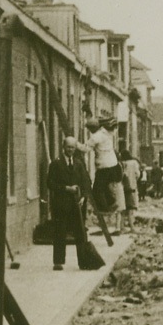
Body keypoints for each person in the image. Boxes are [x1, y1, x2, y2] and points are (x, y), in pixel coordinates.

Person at [47, 136, 92, 269]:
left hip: (77, 205)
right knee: (60, 232)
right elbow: (50, 183)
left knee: (80, 233)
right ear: (63, 147)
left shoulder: (79, 164)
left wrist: (83, 197)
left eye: (73, 147)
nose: (70, 150)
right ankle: (58, 261)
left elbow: (86, 182)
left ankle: (83, 261)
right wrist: (66, 188)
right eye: (68, 147)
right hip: (61, 205)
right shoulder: (56, 164)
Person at [81, 115, 122, 231]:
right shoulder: (106, 134)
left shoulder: (96, 137)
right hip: (113, 165)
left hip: (104, 166)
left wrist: (75, 144)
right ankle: (111, 204)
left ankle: (105, 209)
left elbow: (85, 149)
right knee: (104, 188)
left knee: (97, 190)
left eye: (89, 129)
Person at [120, 147, 141, 230]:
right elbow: (138, 174)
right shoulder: (134, 163)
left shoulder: (121, 163)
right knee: (131, 208)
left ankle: (122, 226)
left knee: (123, 208)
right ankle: (132, 226)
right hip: (132, 187)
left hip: (123, 188)